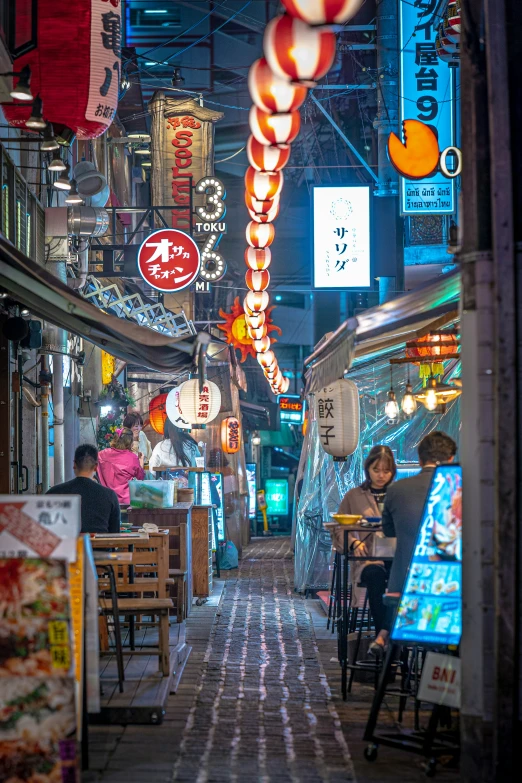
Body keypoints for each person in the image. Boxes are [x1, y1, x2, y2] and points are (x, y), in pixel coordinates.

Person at [372, 430, 458, 655]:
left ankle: (385, 636)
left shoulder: (397, 489)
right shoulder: (459, 490)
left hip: (403, 586)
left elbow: (389, 531)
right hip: (449, 589)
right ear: (451, 460)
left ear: (420, 460)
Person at [337, 445, 397, 637]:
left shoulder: (399, 494)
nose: (381, 475)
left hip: (397, 558)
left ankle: (396, 640)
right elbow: (339, 528)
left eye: (386, 471)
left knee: (406, 581)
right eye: (376, 470)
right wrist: (354, 543)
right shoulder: (354, 496)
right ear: (367, 469)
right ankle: (383, 637)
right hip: (367, 560)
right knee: (375, 577)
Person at [47, 444, 120, 534]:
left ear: (74, 464)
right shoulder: (110, 495)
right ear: (96, 467)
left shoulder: (54, 493)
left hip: (66, 547)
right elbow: (115, 533)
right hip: (100, 548)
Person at [97, 428, 145, 506]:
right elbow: (141, 477)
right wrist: (141, 460)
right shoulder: (132, 458)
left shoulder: (101, 454)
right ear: (130, 442)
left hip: (106, 501)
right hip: (125, 503)